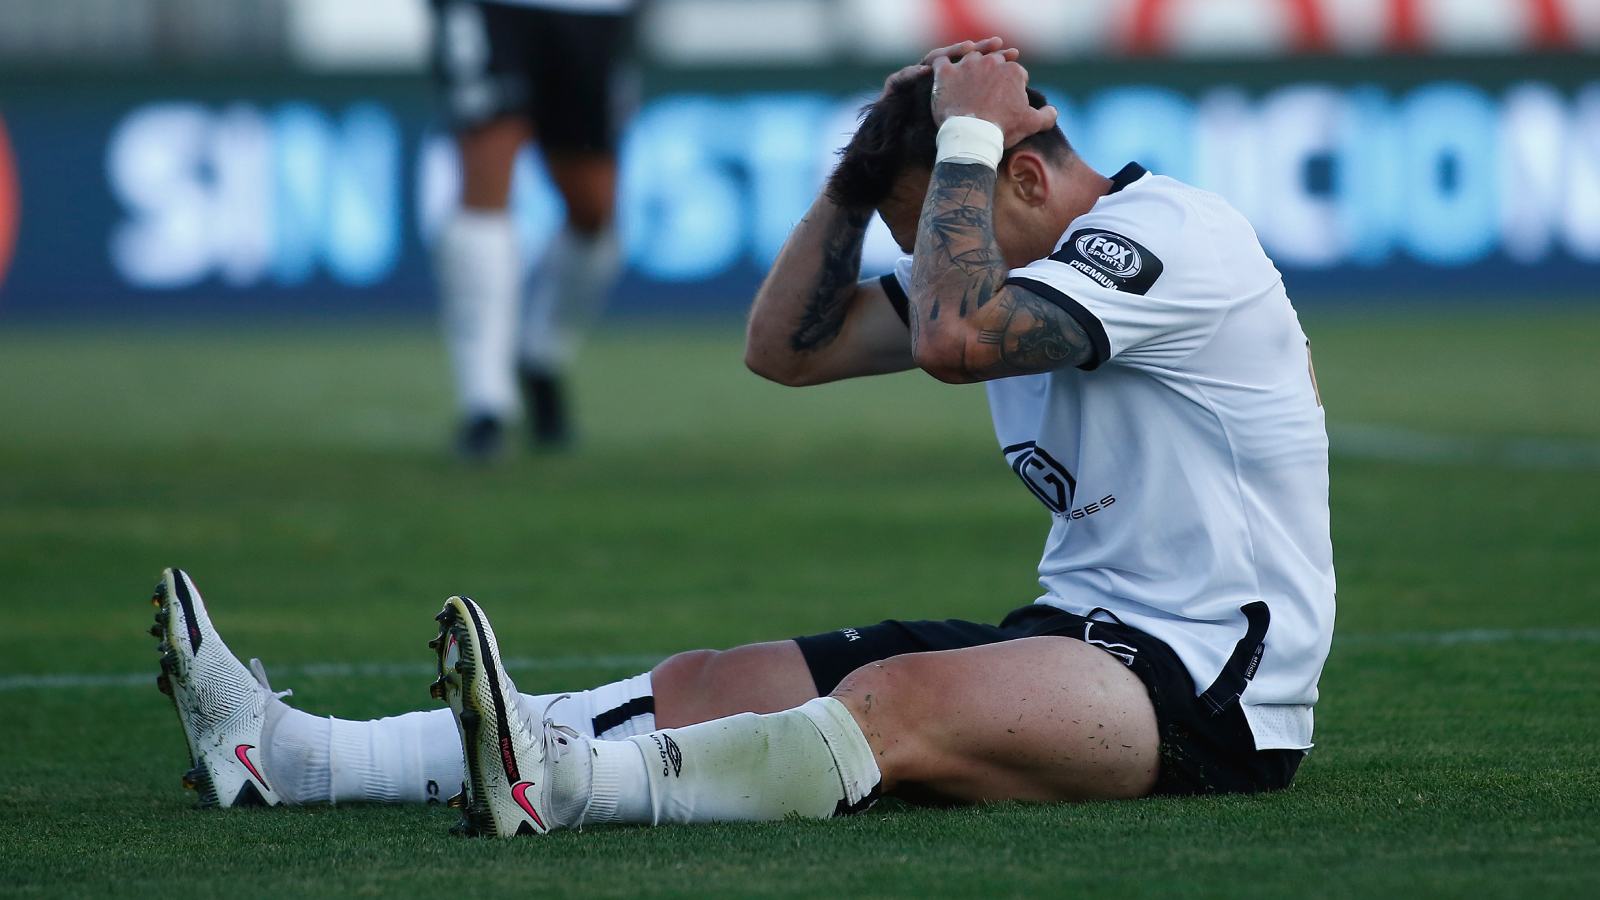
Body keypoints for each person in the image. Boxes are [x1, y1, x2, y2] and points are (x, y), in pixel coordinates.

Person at [149, 38, 1334, 834]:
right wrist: (866, 173)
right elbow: (786, 350)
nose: (924, 264)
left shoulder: (1174, 233)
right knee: (716, 682)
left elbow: (951, 336)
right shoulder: (995, 269)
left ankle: (563, 786)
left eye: (939, 232)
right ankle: (296, 756)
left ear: (1019, 178)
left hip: (1201, 687)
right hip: (1077, 642)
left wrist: (961, 151)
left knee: (900, 700)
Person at [430, 0, 639, 460]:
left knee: (594, 213)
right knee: (486, 168)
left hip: (593, 14)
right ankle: (484, 404)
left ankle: (540, 353)